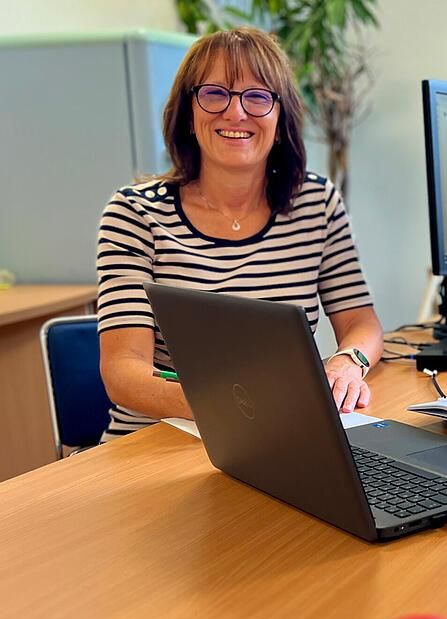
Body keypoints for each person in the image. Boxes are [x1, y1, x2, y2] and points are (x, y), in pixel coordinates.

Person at [97, 27, 383, 441]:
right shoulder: (135, 213)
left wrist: (347, 362)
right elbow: (122, 370)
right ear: (188, 114)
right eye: (215, 94)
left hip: (276, 436)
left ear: (280, 118)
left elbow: (361, 321)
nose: (235, 113)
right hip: (157, 442)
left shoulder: (316, 203)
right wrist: (237, 406)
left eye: (257, 96)